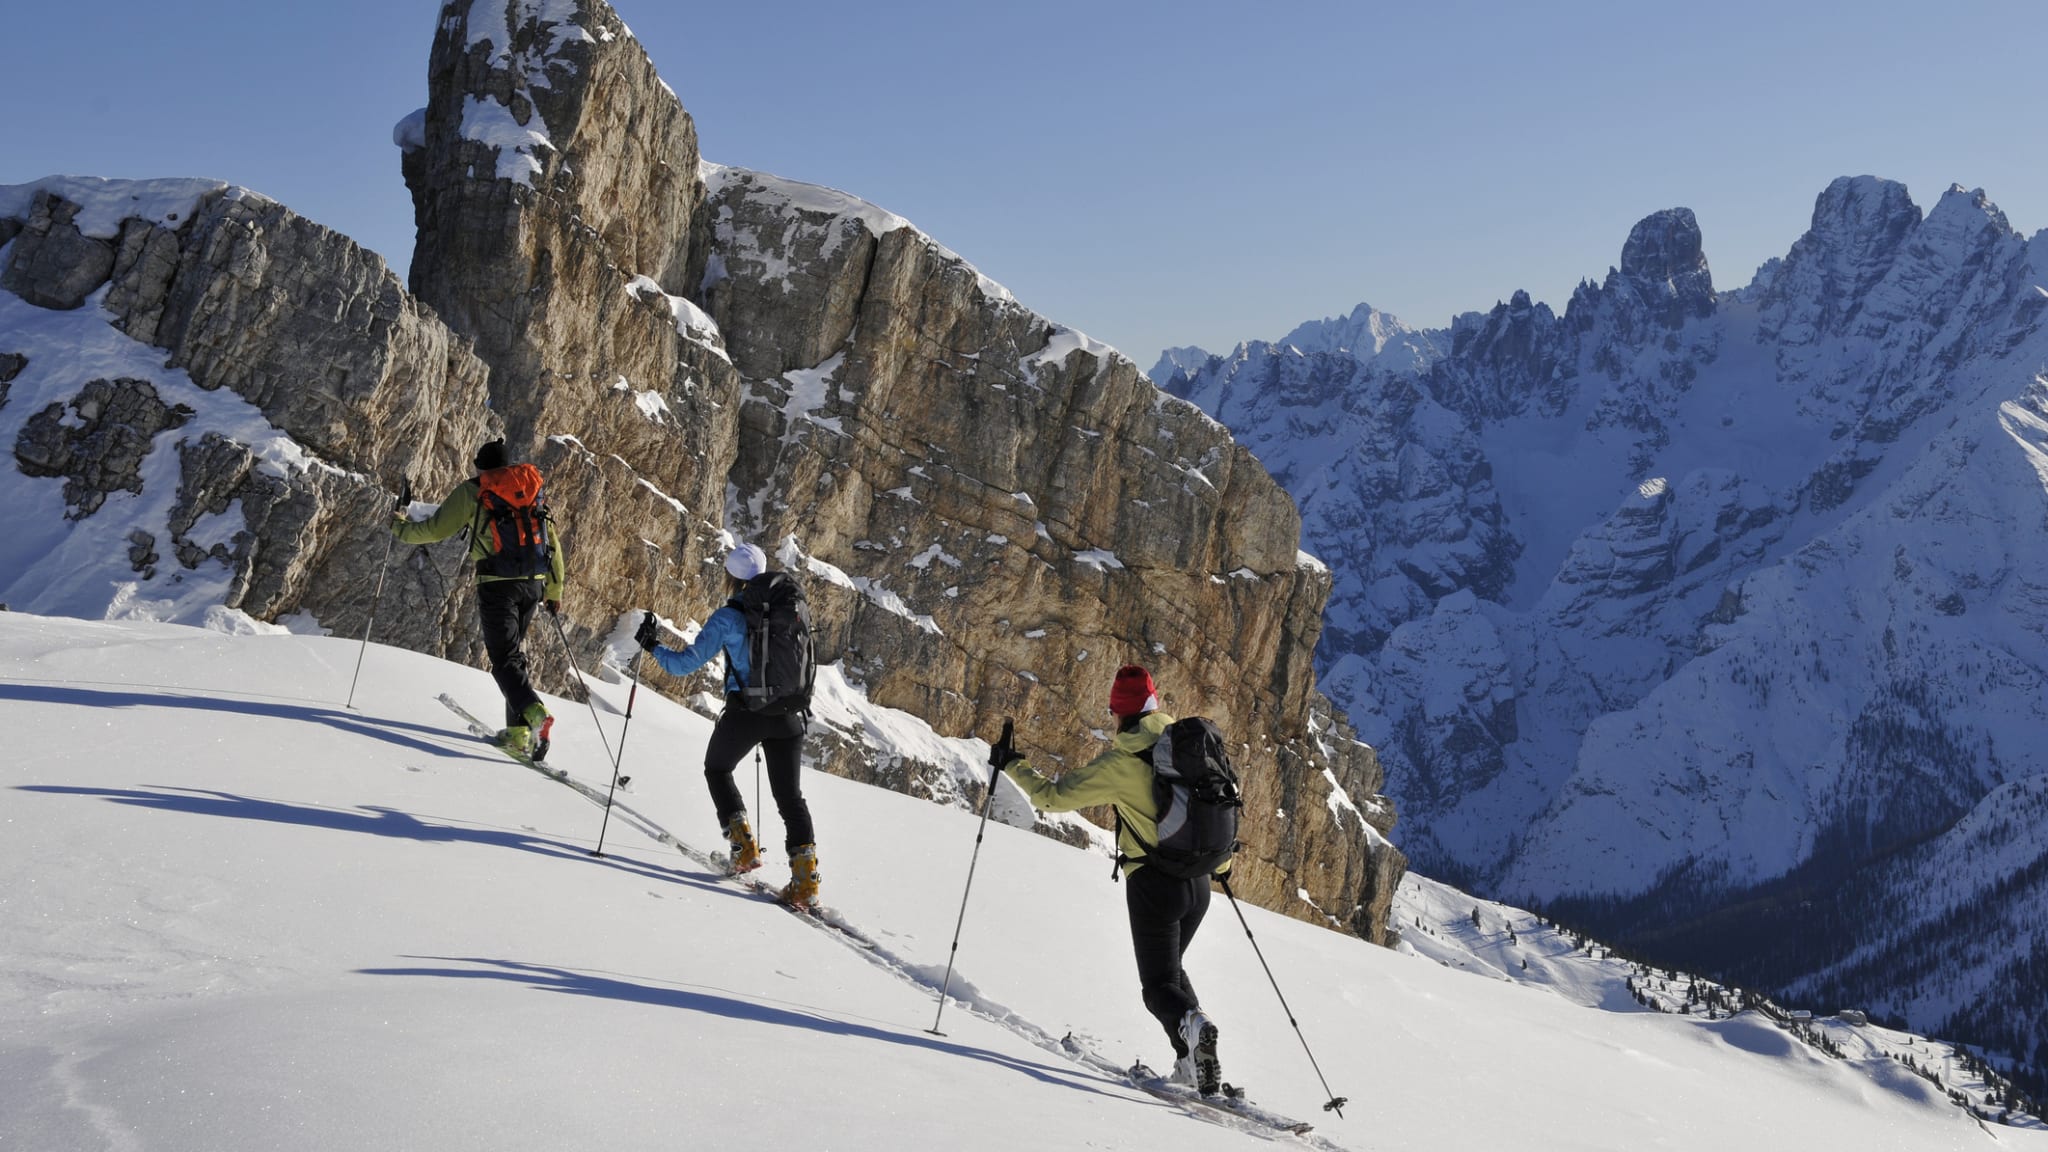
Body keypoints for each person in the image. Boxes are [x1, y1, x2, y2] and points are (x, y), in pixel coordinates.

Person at [993, 664, 1230, 1095]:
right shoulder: (1189, 749)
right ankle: (1190, 1060)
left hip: (1154, 886)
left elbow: (1051, 798)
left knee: (1157, 987)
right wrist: (1222, 870)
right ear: (1154, 704)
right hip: (1199, 886)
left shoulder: (1122, 763)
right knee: (1172, 972)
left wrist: (1013, 765)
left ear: (1118, 714)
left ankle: (1196, 1027)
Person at [634, 543, 820, 906]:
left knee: (717, 769)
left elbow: (683, 665)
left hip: (747, 712)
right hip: (788, 714)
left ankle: (744, 848)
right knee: (790, 798)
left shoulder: (729, 617)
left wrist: (651, 646)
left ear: (732, 577)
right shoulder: (789, 606)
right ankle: (805, 882)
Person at [393, 438, 565, 758]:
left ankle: (535, 713)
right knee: (513, 657)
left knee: (503, 660)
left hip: (498, 583)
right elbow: (550, 538)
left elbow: (436, 529)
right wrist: (554, 591)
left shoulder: (475, 491)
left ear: (481, 468)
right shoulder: (529, 489)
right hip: (534, 584)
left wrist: (400, 528)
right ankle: (518, 733)